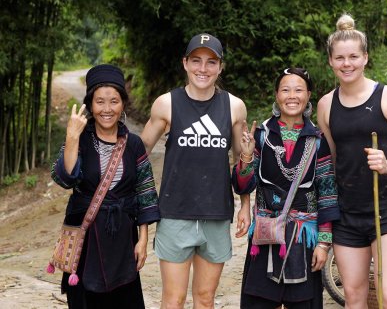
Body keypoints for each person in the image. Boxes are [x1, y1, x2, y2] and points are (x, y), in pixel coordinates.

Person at [317, 13, 387, 309]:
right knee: (355, 296)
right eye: (339, 58)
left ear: (365, 58)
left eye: (353, 57)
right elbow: (332, 161)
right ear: (331, 62)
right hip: (347, 213)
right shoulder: (325, 105)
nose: (346, 64)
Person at [140, 33, 248, 308]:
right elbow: (138, 155)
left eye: (211, 62)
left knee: (205, 298)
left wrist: (245, 205)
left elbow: (242, 164)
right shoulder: (166, 104)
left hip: (216, 214)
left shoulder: (234, 107)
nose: (203, 69)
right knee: (173, 300)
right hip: (175, 213)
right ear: (185, 63)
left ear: (220, 67)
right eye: (196, 61)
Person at [50, 64, 160, 308]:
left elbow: (145, 193)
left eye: (114, 101)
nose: (107, 109)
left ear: (122, 104)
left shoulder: (133, 145)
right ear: (90, 105)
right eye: (100, 102)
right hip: (85, 239)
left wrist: (142, 240)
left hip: (123, 239)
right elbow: (64, 178)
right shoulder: (80, 139)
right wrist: (71, 137)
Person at [233, 67, 340, 309]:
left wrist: (324, 243)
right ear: (276, 95)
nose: (292, 96)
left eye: (299, 90)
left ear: (309, 95)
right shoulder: (261, 135)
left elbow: (327, 193)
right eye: (285, 90)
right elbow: (243, 184)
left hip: (304, 239)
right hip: (265, 235)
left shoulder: (318, 140)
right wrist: (247, 157)